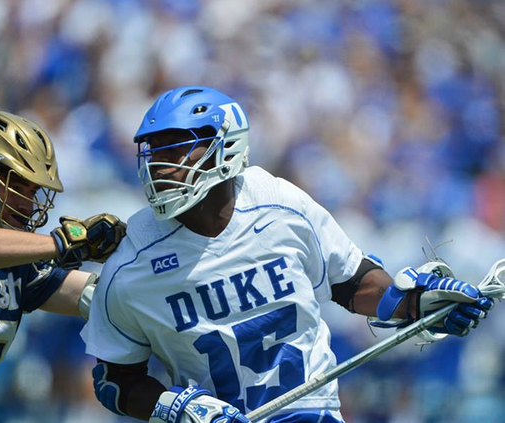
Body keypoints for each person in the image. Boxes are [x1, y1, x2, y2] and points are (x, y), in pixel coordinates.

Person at [81, 86, 494, 423]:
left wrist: (416, 302)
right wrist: (174, 406)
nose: (160, 168)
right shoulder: (132, 260)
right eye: (154, 153)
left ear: (227, 147)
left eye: (177, 150)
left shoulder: (279, 204)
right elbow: (115, 380)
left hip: (311, 415)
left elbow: (351, 281)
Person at [0, 108, 126, 386]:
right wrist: (60, 242)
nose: (28, 206)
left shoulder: (16, 263)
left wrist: (142, 272)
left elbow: (99, 295)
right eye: (17, 186)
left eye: (33, 192)